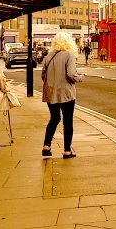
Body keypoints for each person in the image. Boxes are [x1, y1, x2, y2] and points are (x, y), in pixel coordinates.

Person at [41, 30, 82, 159]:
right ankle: (67, 151)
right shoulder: (69, 55)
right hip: (66, 93)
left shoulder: (49, 56)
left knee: (54, 118)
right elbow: (71, 74)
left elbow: (43, 75)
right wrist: (80, 78)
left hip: (51, 93)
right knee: (67, 121)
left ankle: (46, 146)